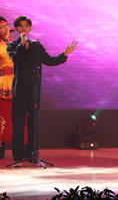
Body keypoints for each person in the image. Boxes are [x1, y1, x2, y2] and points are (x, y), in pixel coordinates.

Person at [7, 15, 78, 164]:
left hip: (34, 92)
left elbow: (50, 60)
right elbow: (15, 59)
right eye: (21, 26)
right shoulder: (12, 45)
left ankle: (32, 156)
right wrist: (22, 44)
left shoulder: (36, 46)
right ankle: (18, 158)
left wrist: (65, 54)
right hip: (19, 92)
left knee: (33, 125)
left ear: (30, 28)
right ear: (17, 29)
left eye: (26, 26)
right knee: (18, 126)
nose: (24, 28)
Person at [0, 16, 23, 160]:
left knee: (21, 116)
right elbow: (1, 53)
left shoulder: (19, 43)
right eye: (1, 27)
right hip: (5, 81)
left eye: (6, 25)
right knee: (3, 116)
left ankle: (24, 147)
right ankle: (1, 147)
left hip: (18, 81)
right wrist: (6, 40)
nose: (5, 28)